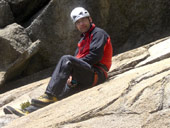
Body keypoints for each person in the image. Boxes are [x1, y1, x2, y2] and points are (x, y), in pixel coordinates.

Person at [4, 7, 113, 116]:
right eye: (78, 22)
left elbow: (95, 56)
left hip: (96, 74)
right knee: (59, 94)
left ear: (90, 19)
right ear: (76, 25)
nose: (81, 24)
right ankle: (27, 111)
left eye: (83, 20)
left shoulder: (98, 34)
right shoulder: (82, 40)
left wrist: (73, 69)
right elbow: (79, 61)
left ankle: (49, 95)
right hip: (84, 77)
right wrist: (72, 77)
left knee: (66, 59)